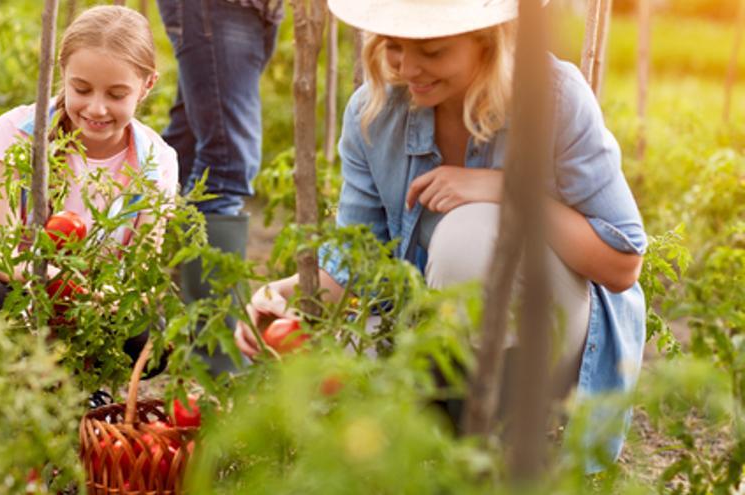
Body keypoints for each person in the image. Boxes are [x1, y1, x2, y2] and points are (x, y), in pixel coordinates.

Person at [235, 0, 647, 469]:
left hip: (551, 336)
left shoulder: (552, 98)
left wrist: (509, 191)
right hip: (438, 339)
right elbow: (359, 259)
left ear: (489, 42)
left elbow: (621, 264)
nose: (409, 68)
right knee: (344, 359)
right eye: (394, 48)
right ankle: (440, 440)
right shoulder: (374, 113)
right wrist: (283, 293)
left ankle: (502, 448)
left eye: (431, 50)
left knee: (466, 234)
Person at [0, 6, 178, 383]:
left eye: (117, 94)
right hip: (21, 286)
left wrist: (103, 296)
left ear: (147, 86)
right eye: (81, 89)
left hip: (96, 303)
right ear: (62, 74)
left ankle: (88, 385)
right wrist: (59, 284)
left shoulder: (156, 161)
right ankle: (11, 381)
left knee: (149, 337)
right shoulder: (19, 134)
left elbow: (141, 270)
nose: (96, 108)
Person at [155, 0, 283, 373]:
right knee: (225, 165)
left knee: (188, 143)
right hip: (220, 6)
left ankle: (120, 286)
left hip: (253, 8)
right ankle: (217, 358)